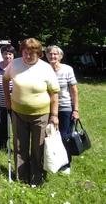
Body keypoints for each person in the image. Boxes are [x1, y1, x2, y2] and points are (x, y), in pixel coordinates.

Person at [3, 38, 60, 185]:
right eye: (25, 52)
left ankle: (36, 178)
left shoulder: (46, 68)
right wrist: (8, 101)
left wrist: (54, 115)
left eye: (32, 53)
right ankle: (21, 177)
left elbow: (54, 93)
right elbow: (5, 79)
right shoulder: (14, 64)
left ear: (39, 54)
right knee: (20, 146)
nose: (28, 56)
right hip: (18, 112)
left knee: (38, 147)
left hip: (41, 114)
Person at [46, 45, 79, 175]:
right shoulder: (44, 69)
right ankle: (50, 161)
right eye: (50, 54)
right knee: (49, 136)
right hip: (47, 107)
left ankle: (66, 164)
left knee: (65, 136)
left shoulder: (67, 70)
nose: (52, 56)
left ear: (60, 56)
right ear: (46, 55)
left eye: (55, 54)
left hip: (65, 107)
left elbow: (74, 91)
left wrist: (75, 110)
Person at [0, 45, 16, 150]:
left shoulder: (16, 67)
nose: (7, 56)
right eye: (5, 54)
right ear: (1, 55)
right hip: (0, 102)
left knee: (15, 126)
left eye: (10, 54)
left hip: (15, 102)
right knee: (1, 125)